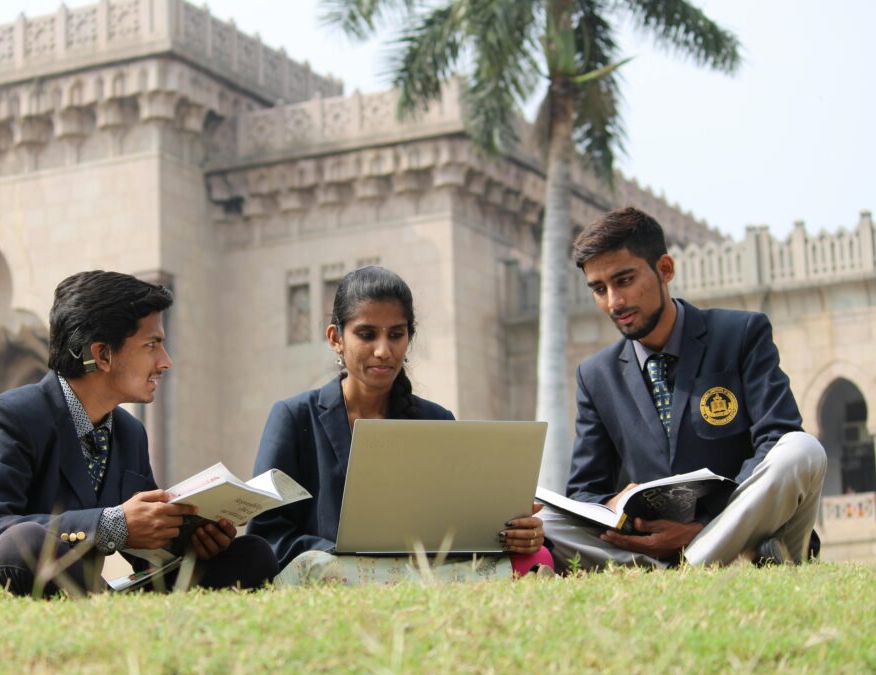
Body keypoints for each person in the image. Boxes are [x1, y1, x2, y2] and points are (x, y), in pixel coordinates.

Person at [0, 270, 277, 597]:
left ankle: (140, 636)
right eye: (151, 345)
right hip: (0, 595)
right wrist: (111, 525)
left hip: (88, 598)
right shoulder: (6, 418)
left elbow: (145, 555)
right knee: (29, 542)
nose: (165, 361)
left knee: (250, 554)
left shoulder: (129, 433)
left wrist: (190, 538)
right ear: (102, 354)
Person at [541, 207, 827, 569]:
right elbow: (584, 491)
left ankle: (696, 559)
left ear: (665, 269)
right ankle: (690, 562)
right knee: (545, 523)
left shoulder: (740, 335)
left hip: (751, 534)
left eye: (624, 280)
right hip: (651, 544)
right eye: (600, 289)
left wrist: (704, 524)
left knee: (801, 450)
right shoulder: (597, 375)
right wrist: (615, 506)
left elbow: (777, 434)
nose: (614, 302)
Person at [247, 266, 552, 584]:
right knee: (317, 566)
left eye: (396, 335)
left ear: (409, 337)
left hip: (419, 568)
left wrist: (517, 534)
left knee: (537, 555)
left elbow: (459, 531)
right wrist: (338, 553)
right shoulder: (294, 417)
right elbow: (269, 535)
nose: (383, 350)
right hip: (330, 570)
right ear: (336, 338)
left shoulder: (438, 422)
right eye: (367, 335)